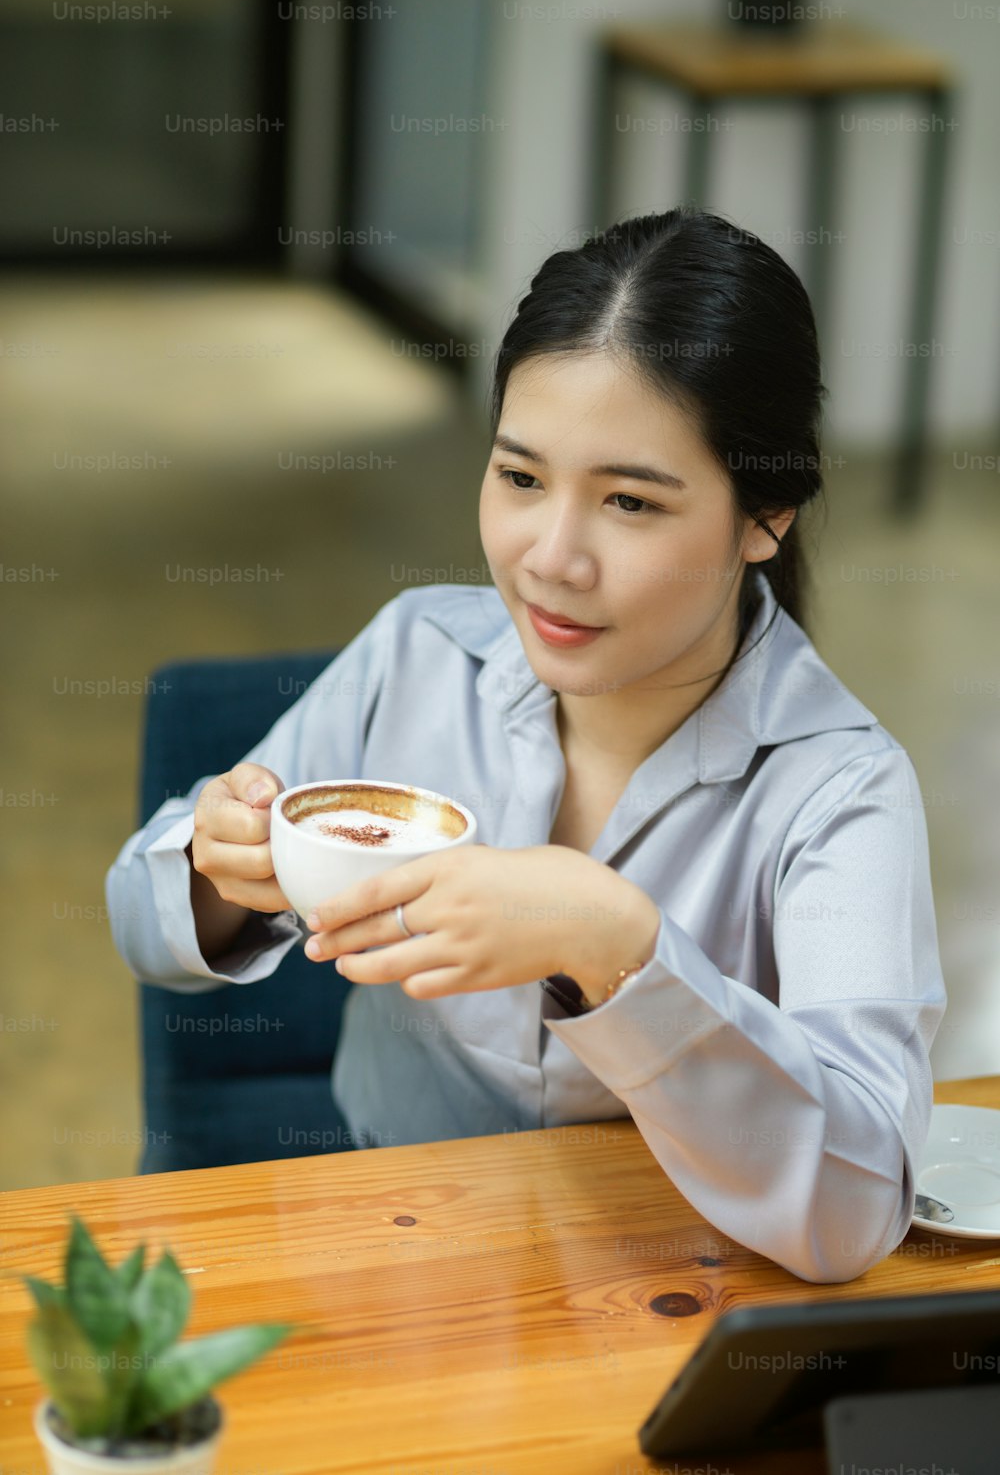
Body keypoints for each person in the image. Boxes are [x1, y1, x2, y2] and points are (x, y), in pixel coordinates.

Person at [106, 205, 946, 1284]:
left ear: (765, 514)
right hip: (388, 1243)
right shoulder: (416, 653)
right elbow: (140, 917)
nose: (550, 559)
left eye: (629, 502)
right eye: (519, 478)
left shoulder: (840, 790)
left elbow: (856, 1208)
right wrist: (225, 873)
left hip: (667, 1286)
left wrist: (621, 951)